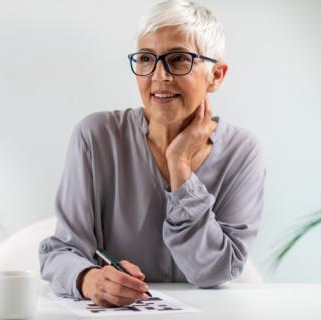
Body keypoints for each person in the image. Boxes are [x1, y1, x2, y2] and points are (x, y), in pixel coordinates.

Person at [39, 0, 265, 308]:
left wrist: (180, 165)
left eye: (178, 59)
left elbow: (216, 271)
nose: (159, 76)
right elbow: (60, 253)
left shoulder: (242, 152)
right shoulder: (96, 137)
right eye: (146, 59)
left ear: (217, 75)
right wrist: (91, 280)